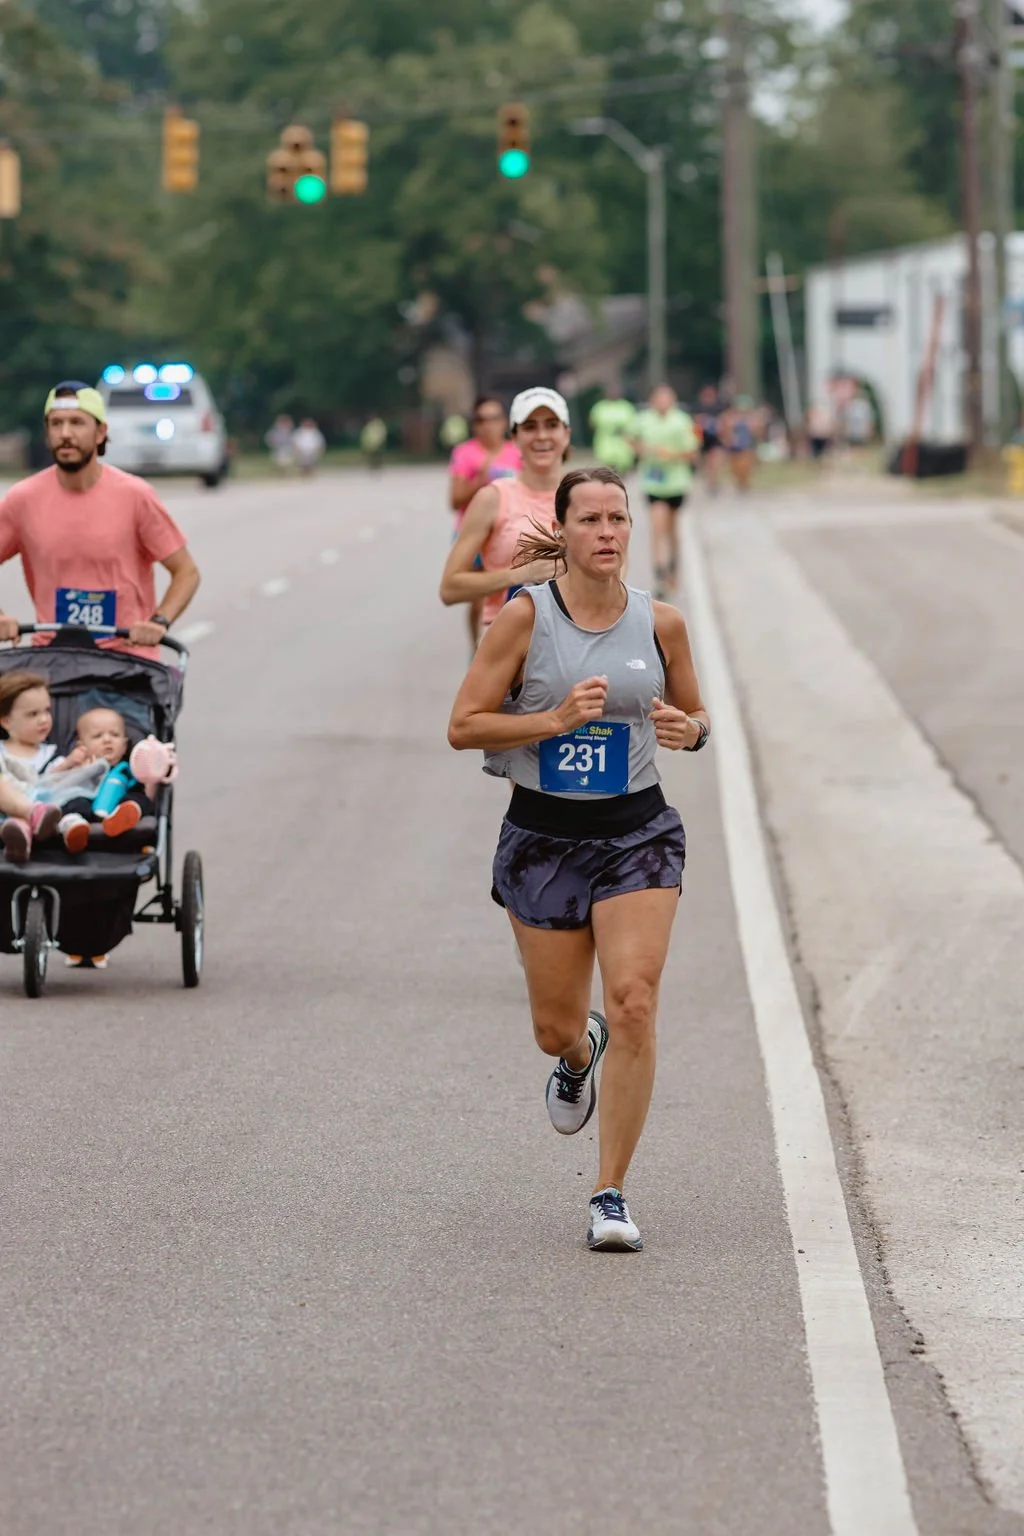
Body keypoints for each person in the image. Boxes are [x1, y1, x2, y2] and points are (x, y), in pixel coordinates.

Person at [447, 465, 709, 1252]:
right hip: (543, 837)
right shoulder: (525, 619)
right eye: (590, 519)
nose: (607, 532)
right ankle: (576, 1052)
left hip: (638, 833)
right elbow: (464, 725)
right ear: (561, 531)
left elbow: (696, 713)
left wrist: (691, 731)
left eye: (617, 518)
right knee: (554, 1026)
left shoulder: (662, 623)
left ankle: (610, 1194)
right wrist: (553, 720)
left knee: (634, 1001)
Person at [0, 382, 201, 659]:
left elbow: (186, 572)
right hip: (53, 660)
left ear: (100, 432)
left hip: (127, 660)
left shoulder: (135, 495)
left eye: (77, 423)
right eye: (56, 424)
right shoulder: (23, 499)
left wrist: (159, 622)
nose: (65, 433)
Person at [439, 386, 570, 638]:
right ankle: (475, 648)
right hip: (510, 647)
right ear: (515, 436)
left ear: (566, 433)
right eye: (530, 427)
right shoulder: (492, 497)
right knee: (476, 605)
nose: (542, 435)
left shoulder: (587, 496)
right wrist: (523, 574)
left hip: (573, 644)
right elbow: (449, 589)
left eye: (552, 425)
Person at [447, 397, 523, 652]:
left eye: (493, 418)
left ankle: (505, 650)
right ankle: (476, 648)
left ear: (504, 421)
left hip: (508, 532)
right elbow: (455, 500)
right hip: (474, 534)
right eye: (480, 419)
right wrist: (479, 479)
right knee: (479, 600)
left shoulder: (518, 452)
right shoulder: (465, 453)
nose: (487, 425)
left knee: (510, 598)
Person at [630, 384, 700, 600]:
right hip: (653, 483)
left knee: (672, 530)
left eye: (666, 399)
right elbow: (630, 439)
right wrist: (645, 450)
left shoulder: (682, 421)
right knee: (657, 527)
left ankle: (673, 567)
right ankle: (660, 574)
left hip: (676, 483)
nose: (662, 403)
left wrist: (671, 455)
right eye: (658, 399)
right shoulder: (643, 419)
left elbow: (692, 452)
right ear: (652, 401)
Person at [588, 387, 636, 475]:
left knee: (622, 470)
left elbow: (633, 426)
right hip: (605, 443)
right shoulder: (599, 407)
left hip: (622, 444)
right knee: (607, 471)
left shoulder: (626, 407)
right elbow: (592, 424)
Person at [720, 395, 760, 491]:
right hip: (735, 445)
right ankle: (739, 482)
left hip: (747, 445)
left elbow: (758, 431)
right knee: (735, 466)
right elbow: (724, 430)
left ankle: (744, 482)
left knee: (746, 465)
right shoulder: (729, 417)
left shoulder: (752, 418)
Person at [694, 384, 726, 496]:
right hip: (701, 439)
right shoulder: (697, 407)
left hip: (714, 439)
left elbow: (724, 422)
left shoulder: (719, 407)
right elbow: (694, 425)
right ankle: (707, 480)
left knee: (714, 462)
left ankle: (713, 483)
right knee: (703, 463)